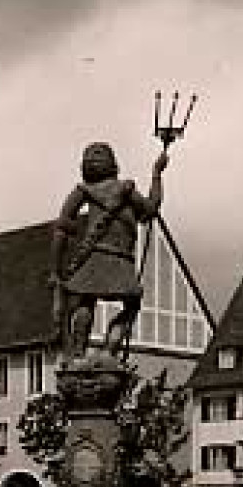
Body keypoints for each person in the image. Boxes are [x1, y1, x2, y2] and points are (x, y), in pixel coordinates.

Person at [50, 142, 168, 359]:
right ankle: (108, 351)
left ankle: (78, 355)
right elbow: (151, 208)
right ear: (113, 164)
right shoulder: (125, 190)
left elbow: (61, 227)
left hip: (94, 257)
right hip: (121, 261)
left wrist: (56, 270)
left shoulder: (83, 190)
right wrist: (157, 174)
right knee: (131, 305)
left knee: (85, 303)